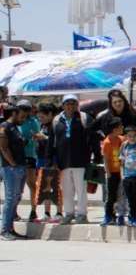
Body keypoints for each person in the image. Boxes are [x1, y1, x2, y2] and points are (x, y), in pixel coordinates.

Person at [92, 90, 136, 221]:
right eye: (115, 102)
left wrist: (133, 138)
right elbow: (91, 129)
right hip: (112, 164)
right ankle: (110, 214)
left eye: (120, 101)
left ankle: (128, 213)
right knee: (111, 191)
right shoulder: (105, 116)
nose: (118, 104)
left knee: (129, 190)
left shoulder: (132, 114)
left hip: (131, 161)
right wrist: (103, 138)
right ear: (111, 103)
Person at [51, 94, 91, 224]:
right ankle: (68, 213)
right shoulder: (57, 120)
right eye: (67, 103)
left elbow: (92, 138)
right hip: (63, 161)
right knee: (67, 190)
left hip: (80, 160)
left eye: (73, 103)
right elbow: (52, 141)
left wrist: (93, 155)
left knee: (81, 189)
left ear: (77, 105)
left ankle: (82, 214)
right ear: (63, 105)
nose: (70, 106)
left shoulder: (84, 117)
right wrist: (51, 159)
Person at [1, 102, 31, 240]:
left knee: (16, 197)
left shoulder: (15, 127)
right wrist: (13, 164)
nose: (23, 117)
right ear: (14, 113)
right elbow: (3, 148)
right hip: (11, 169)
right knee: (10, 198)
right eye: (21, 115)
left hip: (19, 166)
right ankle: (4, 230)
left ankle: (10, 228)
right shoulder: (4, 127)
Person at [34, 102, 61, 223]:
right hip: (41, 158)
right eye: (39, 117)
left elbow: (58, 142)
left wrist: (44, 138)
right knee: (45, 187)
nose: (41, 119)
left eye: (43, 117)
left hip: (53, 159)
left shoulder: (56, 125)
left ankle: (59, 212)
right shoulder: (42, 126)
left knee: (56, 186)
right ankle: (46, 213)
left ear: (50, 114)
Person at [16, 98, 42, 224]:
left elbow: (37, 135)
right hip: (16, 157)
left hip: (30, 155)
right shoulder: (14, 121)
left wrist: (33, 138)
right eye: (23, 109)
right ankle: (14, 211)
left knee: (32, 184)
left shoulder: (33, 121)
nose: (25, 112)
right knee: (17, 187)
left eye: (27, 109)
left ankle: (33, 210)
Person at [99, 117, 125, 227]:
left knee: (121, 195)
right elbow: (105, 158)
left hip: (122, 172)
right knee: (110, 196)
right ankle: (108, 215)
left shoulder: (122, 139)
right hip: (112, 172)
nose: (122, 128)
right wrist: (108, 172)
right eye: (120, 127)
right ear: (115, 129)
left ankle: (120, 216)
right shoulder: (107, 142)